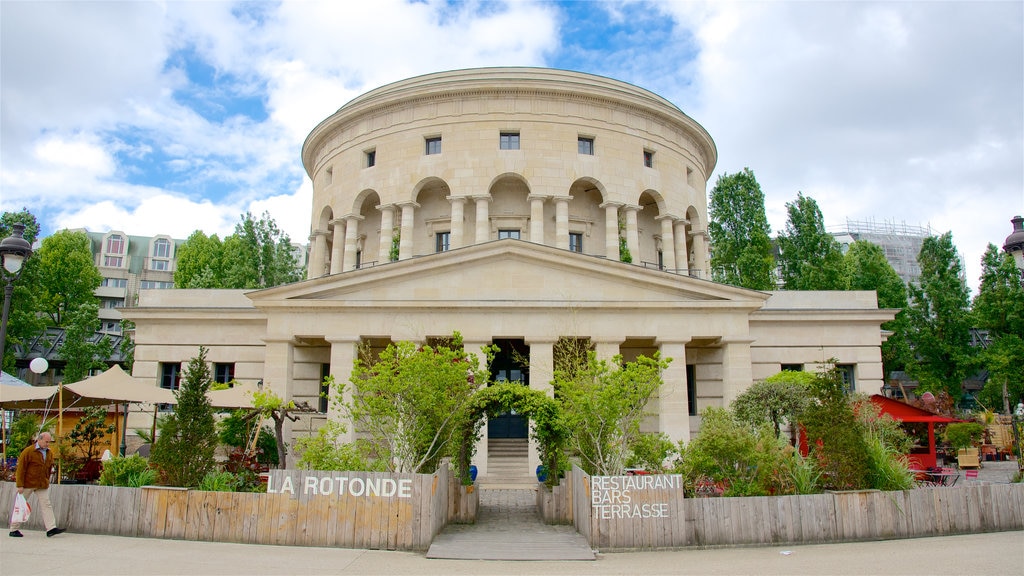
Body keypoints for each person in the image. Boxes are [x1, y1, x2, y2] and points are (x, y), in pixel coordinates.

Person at [9, 432, 65, 537]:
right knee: (21, 506)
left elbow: (48, 468)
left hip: (41, 484)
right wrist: (19, 484)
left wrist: (47, 480)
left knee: (46, 504)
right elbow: (21, 469)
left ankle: (51, 528)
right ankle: (13, 529)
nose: (48, 444)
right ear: (39, 440)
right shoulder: (28, 451)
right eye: (46, 441)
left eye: (49, 442)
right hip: (27, 483)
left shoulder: (49, 453)